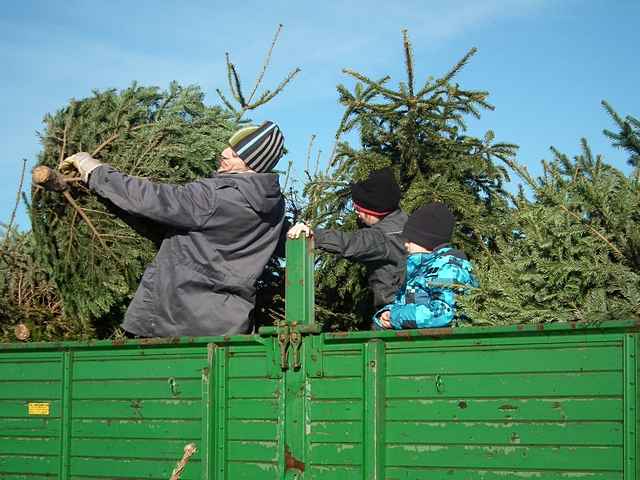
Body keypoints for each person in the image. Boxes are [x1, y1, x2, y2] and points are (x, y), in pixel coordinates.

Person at [60, 121, 286, 337]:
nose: (225, 153)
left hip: (177, 320)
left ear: (253, 165)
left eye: (236, 154)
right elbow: (285, 240)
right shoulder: (273, 207)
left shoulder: (214, 197)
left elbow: (152, 199)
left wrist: (94, 170)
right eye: (230, 146)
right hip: (228, 324)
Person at [288, 167, 407, 311]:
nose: (357, 213)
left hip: (392, 314)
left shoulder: (381, 237)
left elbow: (351, 242)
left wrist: (313, 234)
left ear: (373, 210)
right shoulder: (405, 223)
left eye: (359, 209)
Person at [374, 202, 478, 330]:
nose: (405, 244)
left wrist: (396, 316)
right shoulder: (418, 270)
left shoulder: (449, 269)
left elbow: (443, 313)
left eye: (410, 239)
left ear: (426, 240)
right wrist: (386, 314)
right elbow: (404, 304)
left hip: (445, 345)